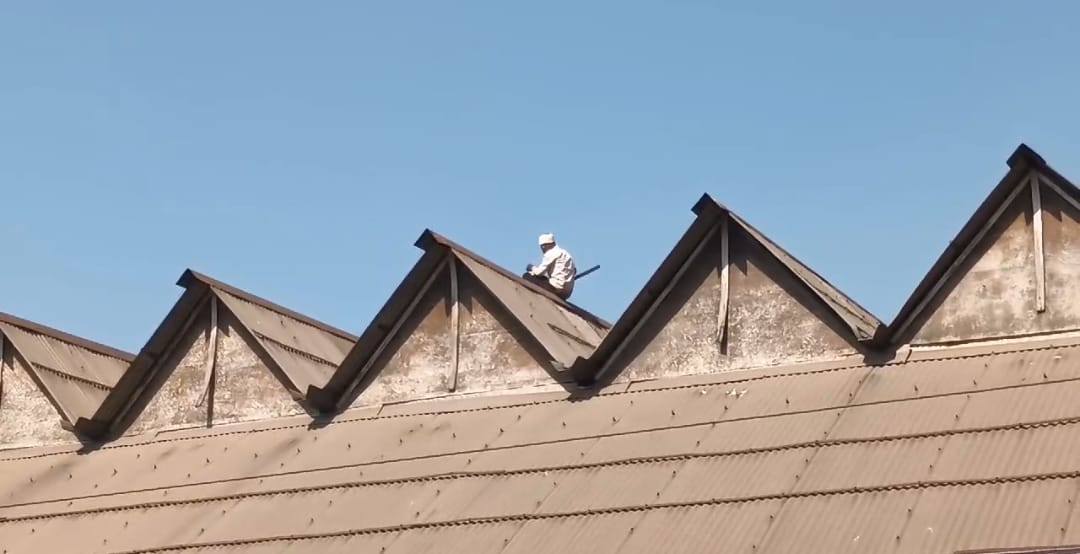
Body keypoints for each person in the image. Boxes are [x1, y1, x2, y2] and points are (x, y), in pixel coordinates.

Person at [523, 233, 576, 299]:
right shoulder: (566, 254)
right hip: (566, 293)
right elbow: (574, 270)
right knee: (544, 279)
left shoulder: (551, 253)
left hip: (556, 289)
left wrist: (531, 267)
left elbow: (539, 272)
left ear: (543, 246)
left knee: (527, 276)